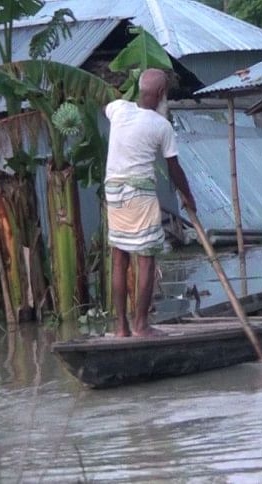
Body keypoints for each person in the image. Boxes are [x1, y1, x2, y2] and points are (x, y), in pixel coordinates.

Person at [104, 68, 196, 337]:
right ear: (161, 93)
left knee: (119, 257)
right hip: (139, 192)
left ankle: (122, 328)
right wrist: (188, 197)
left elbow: (107, 108)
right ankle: (141, 325)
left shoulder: (118, 109)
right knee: (146, 260)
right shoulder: (161, 125)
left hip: (114, 191)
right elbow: (174, 168)